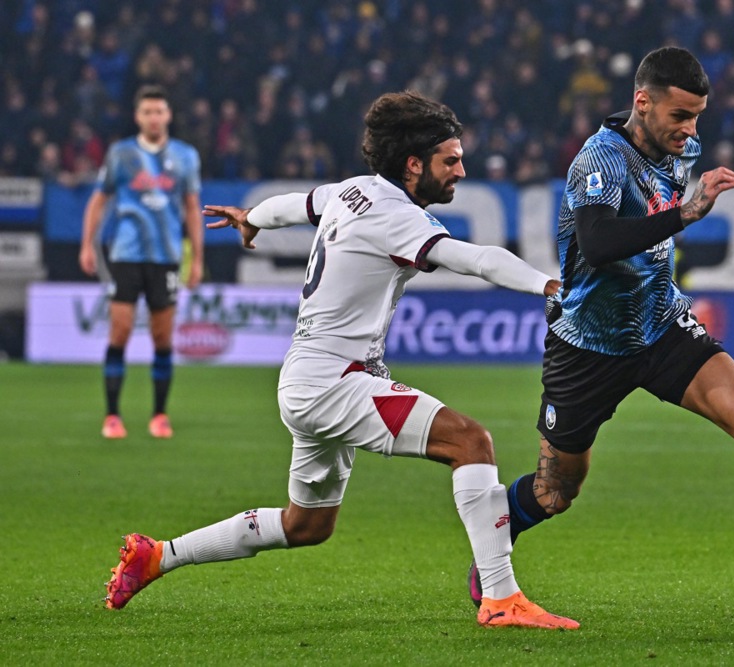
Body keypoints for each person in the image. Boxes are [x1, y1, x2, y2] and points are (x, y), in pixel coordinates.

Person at [103, 91, 578, 631]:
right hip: (335, 381)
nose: (461, 172)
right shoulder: (396, 216)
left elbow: (293, 206)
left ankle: (157, 556)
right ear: (413, 164)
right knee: (470, 442)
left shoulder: (351, 191)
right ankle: (500, 597)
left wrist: (250, 218)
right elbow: (474, 259)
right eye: (450, 160)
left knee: (307, 525)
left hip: (308, 379)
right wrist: (547, 284)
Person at [467, 47, 734, 614]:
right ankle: (495, 535)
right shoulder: (600, 159)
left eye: (697, 117)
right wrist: (685, 214)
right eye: (680, 115)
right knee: (556, 491)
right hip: (588, 345)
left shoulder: (680, 149)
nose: (691, 130)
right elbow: (598, 243)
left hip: (661, 325)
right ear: (642, 102)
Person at [79, 84, 204, 440]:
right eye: (147, 112)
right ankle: (112, 415)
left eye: (159, 111)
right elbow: (99, 200)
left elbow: (192, 208)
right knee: (119, 331)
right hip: (127, 254)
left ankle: (159, 415)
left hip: (166, 257)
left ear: (168, 115)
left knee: (162, 337)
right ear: (138, 116)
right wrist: (87, 245)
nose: (153, 118)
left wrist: (196, 259)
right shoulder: (121, 154)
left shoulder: (185, 156)